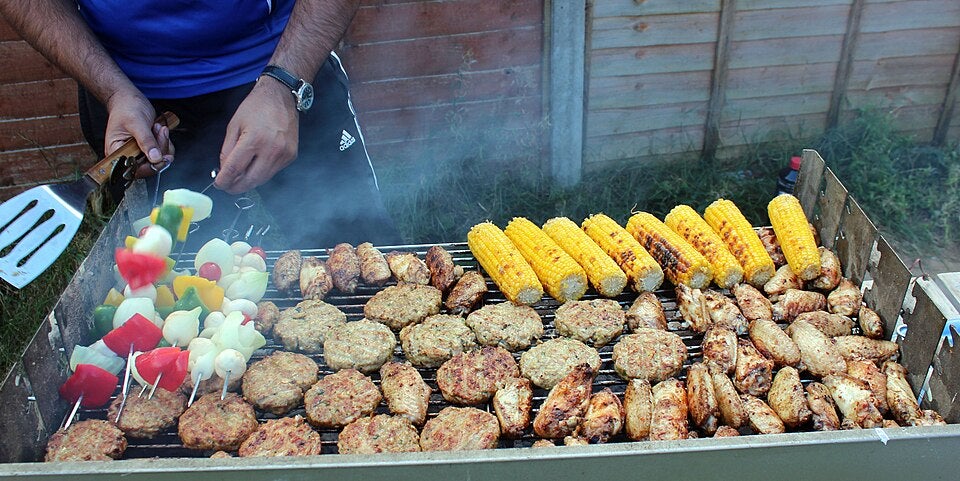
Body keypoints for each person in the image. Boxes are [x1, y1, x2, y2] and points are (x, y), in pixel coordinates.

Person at [0, 0, 402, 249]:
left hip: (287, 61)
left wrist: (285, 83)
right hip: (128, 87)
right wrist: (114, 93)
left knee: (354, 250)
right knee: (180, 282)